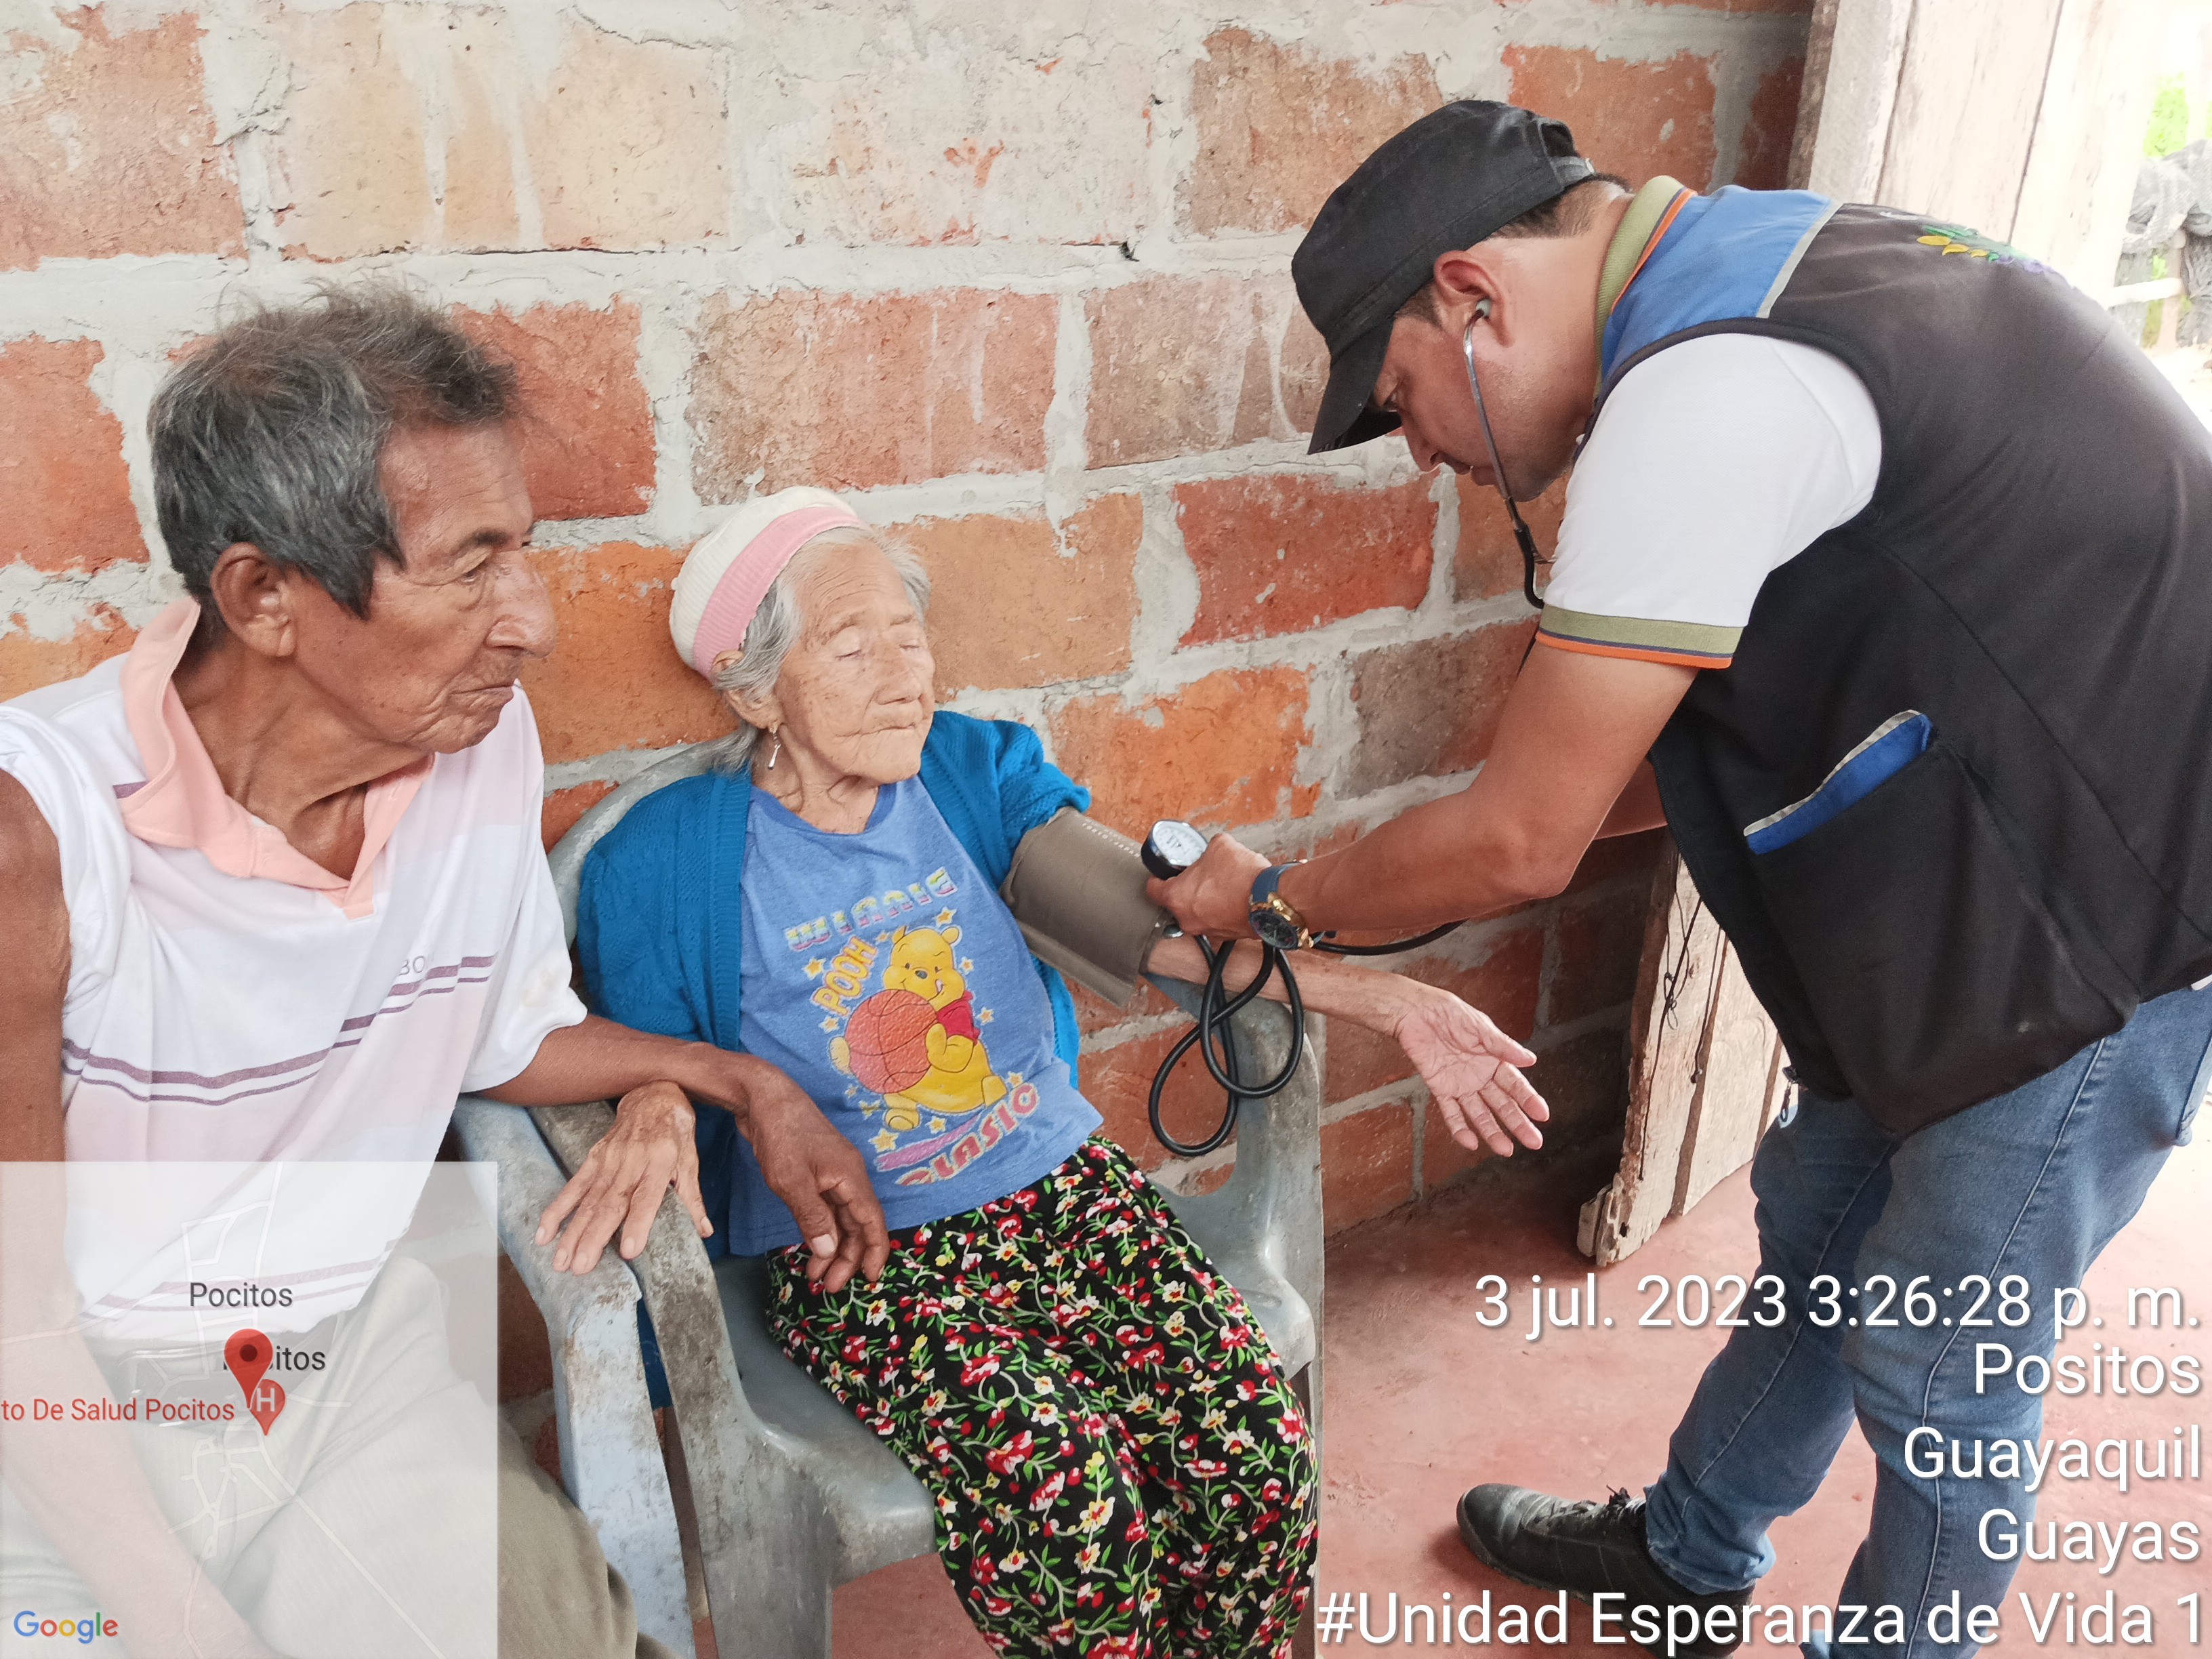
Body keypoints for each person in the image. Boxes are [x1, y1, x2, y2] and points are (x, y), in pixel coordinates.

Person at [1149, 100, 2212, 1658]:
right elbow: (1619, 771)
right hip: (1981, 886)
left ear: (1473, 296)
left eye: (1404, 402)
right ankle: (1691, 1553)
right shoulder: (1766, 261)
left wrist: (1276, 902)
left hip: (2105, 927)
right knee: (1822, 1222)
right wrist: (1501, 821)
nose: (1430, 456)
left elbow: (1523, 837)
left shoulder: (1705, 395)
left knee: (1940, 1365)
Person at [0, 289, 892, 1658]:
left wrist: (729, 1079)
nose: (531, 620)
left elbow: (499, 1035)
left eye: (521, 552)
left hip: (331, 1369)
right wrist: (186, 1627)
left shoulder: (476, 745)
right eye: (472, 568)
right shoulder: (41, 836)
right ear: (263, 596)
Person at [572, 487, 1551, 1659]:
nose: (904, 677)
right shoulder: (665, 857)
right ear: (752, 688)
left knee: (1251, 1446)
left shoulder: (970, 772)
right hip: (863, 1247)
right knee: (1069, 1505)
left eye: (910, 637)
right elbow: (655, 1053)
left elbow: (1154, 929)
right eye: (852, 646)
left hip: (1061, 1189)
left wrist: (1387, 998)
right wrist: (647, 1098)